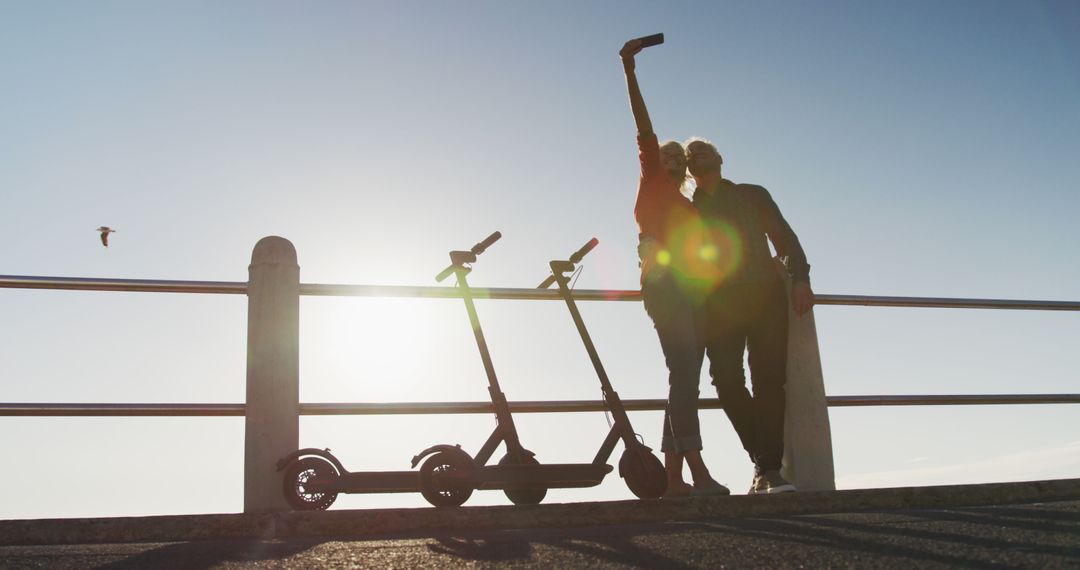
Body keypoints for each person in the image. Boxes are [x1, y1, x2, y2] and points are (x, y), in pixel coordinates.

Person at [620, 38, 728, 497]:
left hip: (692, 295)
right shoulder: (652, 184)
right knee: (684, 378)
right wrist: (629, 68)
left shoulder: (689, 207)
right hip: (665, 291)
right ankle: (696, 473)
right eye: (666, 155)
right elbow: (643, 126)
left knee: (684, 380)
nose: (672, 161)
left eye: (679, 160)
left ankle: (672, 480)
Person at [685, 137, 815, 494]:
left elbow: (785, 239)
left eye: (705, 150)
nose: (698, 155)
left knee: (769, 382)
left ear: (721, 158)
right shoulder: (686, 210)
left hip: (765, 298)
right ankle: (764, 461)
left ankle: (769, 470)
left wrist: (800, 279)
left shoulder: (752, 194)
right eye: (691, 154)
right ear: (688, 169)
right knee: (726, 381)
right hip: (718, 305)